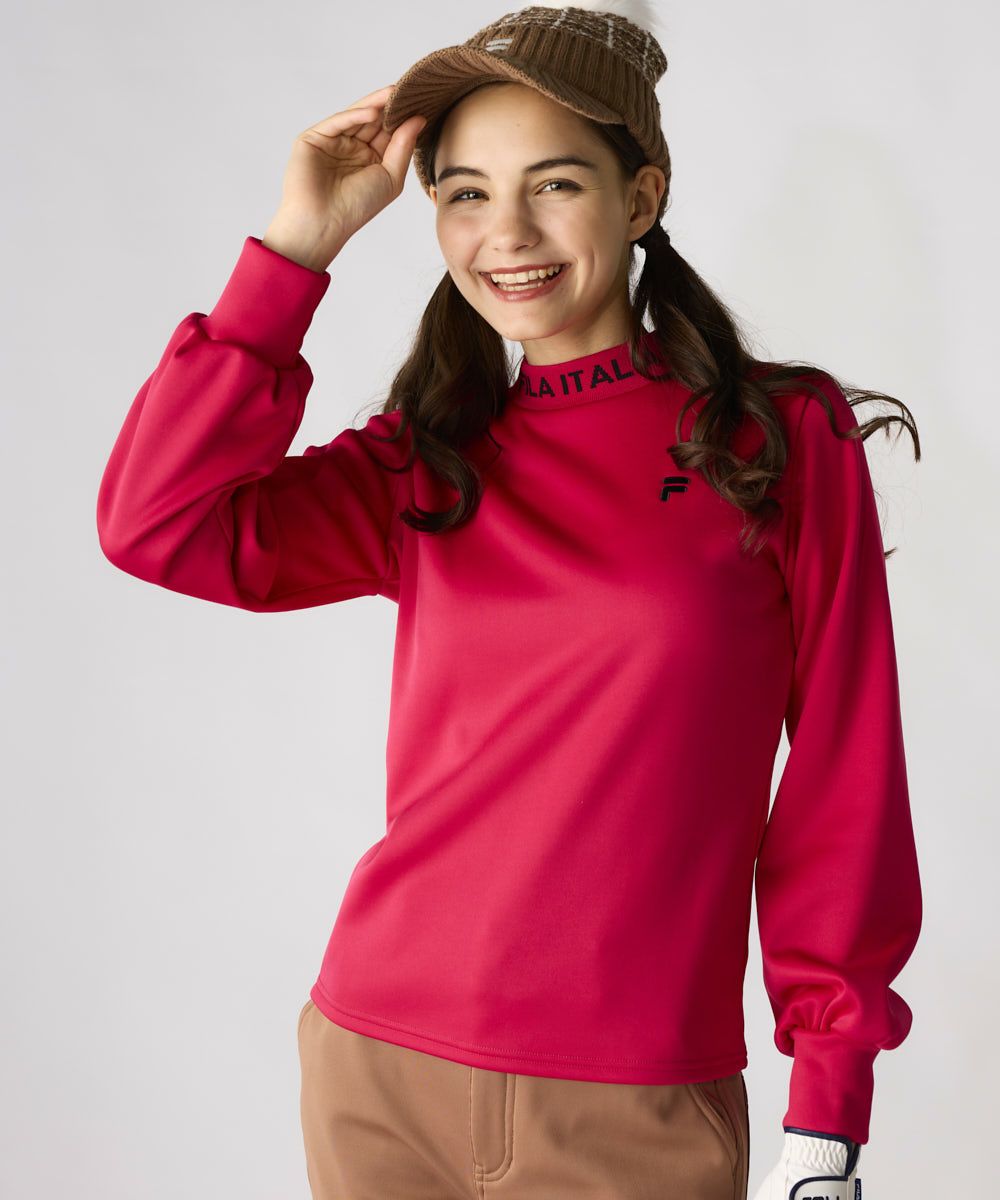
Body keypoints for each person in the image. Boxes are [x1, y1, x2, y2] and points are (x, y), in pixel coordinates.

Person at [96, 2, 923, 1197]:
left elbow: (847, 778)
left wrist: (827, 1108)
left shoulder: (775, 439)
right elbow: (154, 524)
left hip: (637, 1103)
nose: (507, 234)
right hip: (378, 1070)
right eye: (465, 194)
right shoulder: (425, 461)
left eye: (555, 184)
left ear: (639, 198)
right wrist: (293, 250)